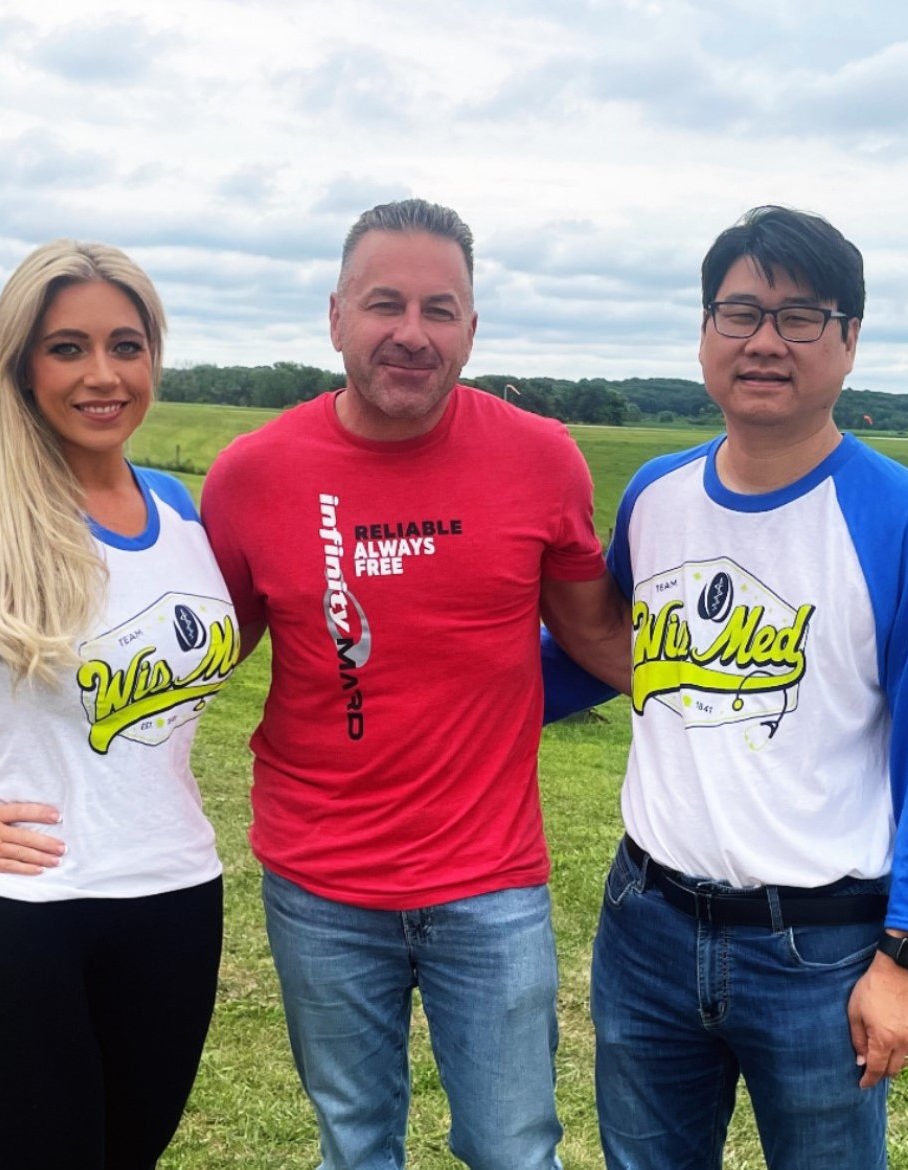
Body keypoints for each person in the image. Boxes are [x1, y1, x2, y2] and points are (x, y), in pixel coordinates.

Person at [542, 205, 908, 1169]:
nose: (764, 341)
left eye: (801, 317)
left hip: (821, 952)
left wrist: (904, 961)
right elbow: (606, 649)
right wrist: (433, 676)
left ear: (850, 339)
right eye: (739, 312)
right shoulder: (656, 497)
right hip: (645, 923)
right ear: (705, 331)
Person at [199, 198, 618, 1170]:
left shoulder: (541, 458)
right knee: (355, 1144)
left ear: (471, 328)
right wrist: (25, 690)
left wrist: (779, 686)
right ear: (336, 315)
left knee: (514, 1148)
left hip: (492, 881)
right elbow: (197, 652)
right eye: (386, 303)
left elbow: (598, 634)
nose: (412, 333)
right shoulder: (253, 475)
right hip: (320, 881)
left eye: (441, 309)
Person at [0, 241, 239, 1169]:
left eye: (127, 344)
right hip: (26, 922)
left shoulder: (178, 507)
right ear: (21, 367)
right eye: (68, 348)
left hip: (177, 902)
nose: (103, 375)